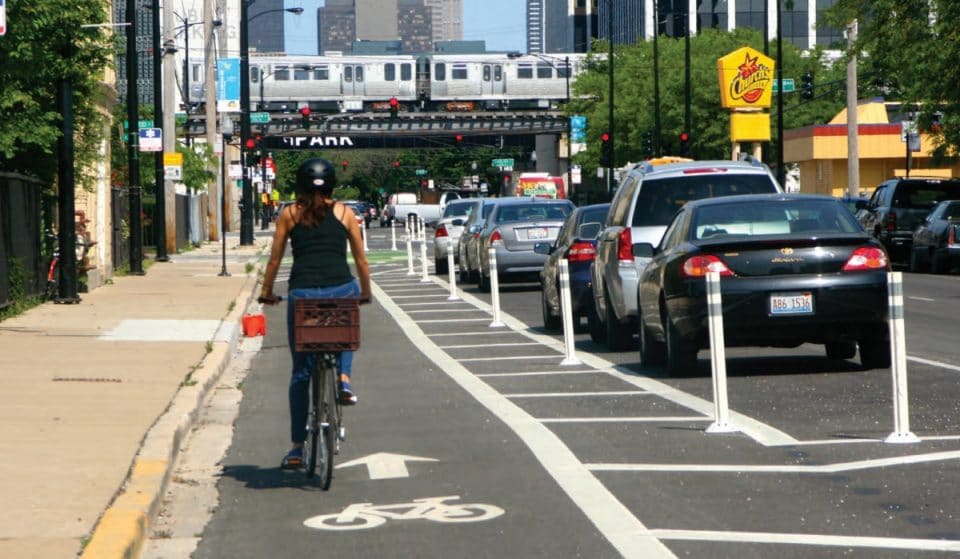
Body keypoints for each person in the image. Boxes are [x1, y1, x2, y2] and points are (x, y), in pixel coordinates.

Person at [259, 158, 372, 469]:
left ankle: (297, 447)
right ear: (333, 183)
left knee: (300, 373)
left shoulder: (289, 214)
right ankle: (344, 379)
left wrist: (266, 293)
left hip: (303, 293)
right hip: (341, 288)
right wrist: (365, 292)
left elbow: (274, 260)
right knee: (346, 331)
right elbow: (361, 260)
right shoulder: (345, 213)